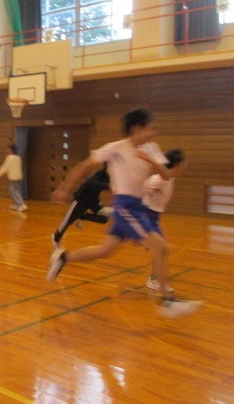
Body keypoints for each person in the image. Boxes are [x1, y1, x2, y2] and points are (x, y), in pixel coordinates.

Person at [47, 108, 202, 318]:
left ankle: (64, 258)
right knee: (161, 247)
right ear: (136, 128)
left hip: (136, 206)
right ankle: (166, 300)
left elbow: (166, 175)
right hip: (124, 206)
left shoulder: (152, 148)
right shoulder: (115, 148)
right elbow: (85, 166)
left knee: (104, 251)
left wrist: (150, 160)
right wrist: (65, 188)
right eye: (150, 129)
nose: (153, 133)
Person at [142, 149, 187, 292]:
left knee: (160, 250)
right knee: (161, 249)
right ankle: (156, 282)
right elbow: (141, 188)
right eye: (183, 163)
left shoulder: (169, 177)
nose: (185, 166)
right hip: (146, 215)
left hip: (154, 217)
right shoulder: (160, 179)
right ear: (178, 164)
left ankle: (154, 279)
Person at [51, 166, 110, 248]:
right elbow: (90, 182)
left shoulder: (114, 175)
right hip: (81, 199)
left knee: (104, 218)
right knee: (67, 220)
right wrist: (108, 185)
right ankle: (56, 238)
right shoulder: (102, 173)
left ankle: (82, 216)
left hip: (93, 200)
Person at [0, 143, 27, 212]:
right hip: (18, 176)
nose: (7, 150)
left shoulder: (10, 157)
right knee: (14, 190)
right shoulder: (18, 157)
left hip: (14, 177)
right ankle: (16, 204)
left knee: (14, 191)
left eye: (8, 149)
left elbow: (5, 166)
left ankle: (21, 204)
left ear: (11, 150)